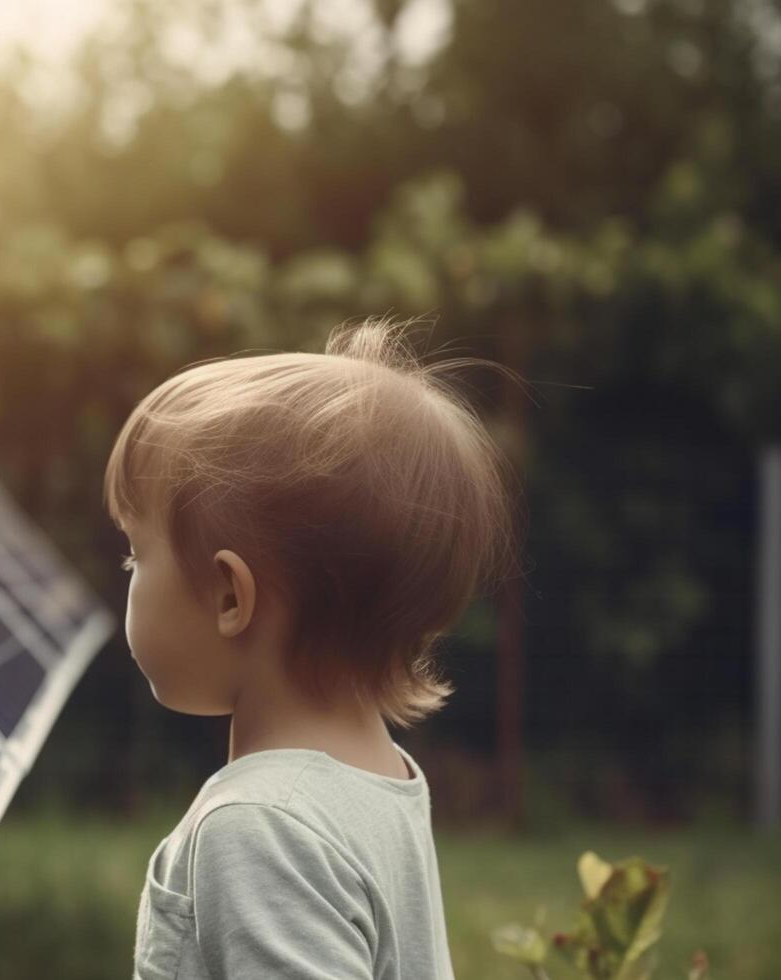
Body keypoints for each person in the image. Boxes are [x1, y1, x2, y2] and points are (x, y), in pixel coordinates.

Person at [105, 314, 522, 980]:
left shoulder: (261, 827)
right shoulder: (382, 781)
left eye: (135, 555)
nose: (127, 575)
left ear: (229, 597)